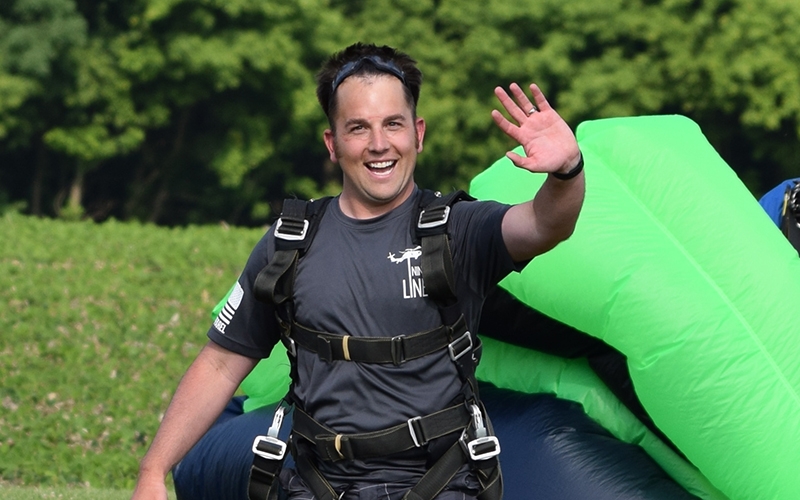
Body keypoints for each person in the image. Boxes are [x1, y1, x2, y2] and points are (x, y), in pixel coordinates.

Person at [132, 42, 584, 500]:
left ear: (418, 133)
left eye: (393, 124)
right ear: (332, 143)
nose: (379, 144)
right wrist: (153, 471)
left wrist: (567, 169)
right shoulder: (290, 243)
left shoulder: (458, 230)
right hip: (318, 484)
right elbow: (220, 364)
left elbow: (547, 223)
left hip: (442, 482)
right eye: (358, 128)